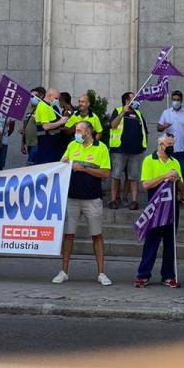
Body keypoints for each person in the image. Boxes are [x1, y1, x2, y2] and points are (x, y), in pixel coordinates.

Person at [53, 122, 111, 286]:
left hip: (92, 199)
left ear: (88, 132)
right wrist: (66, 163)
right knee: (68, 235)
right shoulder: (72, 145)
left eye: (79, 131)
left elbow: (106, 172)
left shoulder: (101, 148)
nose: (76, 133)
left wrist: (84, 168)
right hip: (72, 198)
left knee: (97, 235)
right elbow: (62, 163)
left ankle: (101, 273)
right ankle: (64, 271)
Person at [135, 134, 184, 288]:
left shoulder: (175, 162)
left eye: (173, 144)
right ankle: (143, 274)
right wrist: (164, 176)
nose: (171, 146)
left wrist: (177, 179)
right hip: (155, 208)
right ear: (161, 145)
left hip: (171, 208)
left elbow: (182, 188)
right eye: (169, 143)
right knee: (152, 242)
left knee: (170, 242)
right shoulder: (149, 160)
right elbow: (146, 184)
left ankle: (168, 275)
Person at [108, 92, 148, 210]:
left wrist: (144, 146)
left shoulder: (138, 114)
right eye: (134, 98)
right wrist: (123, 112)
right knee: (116, 175)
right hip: (119, 150)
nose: (137, 100)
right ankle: (113, 200)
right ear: (127, 101)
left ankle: (134, 201)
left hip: (136, 151)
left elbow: (144, 131)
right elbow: (113, 125)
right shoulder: (118, 110)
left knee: (133, 177)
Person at [157, 91, 184, 178]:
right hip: (169, 149)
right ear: (171, 100)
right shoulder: (166, 113)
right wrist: (164, 126)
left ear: (181, 101)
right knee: (170, 174)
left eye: (178, 100)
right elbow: (158, 128)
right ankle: (173, 192)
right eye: (174, 99)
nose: (176, 102)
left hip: (183, 150)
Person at [31, 88, 69, 165]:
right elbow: (45, 126)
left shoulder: (51, 106)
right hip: (46, 144)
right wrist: (61, 122)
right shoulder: (43, 106)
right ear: (50, 96)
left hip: (53, 145)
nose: (57, 101)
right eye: (56, 98)